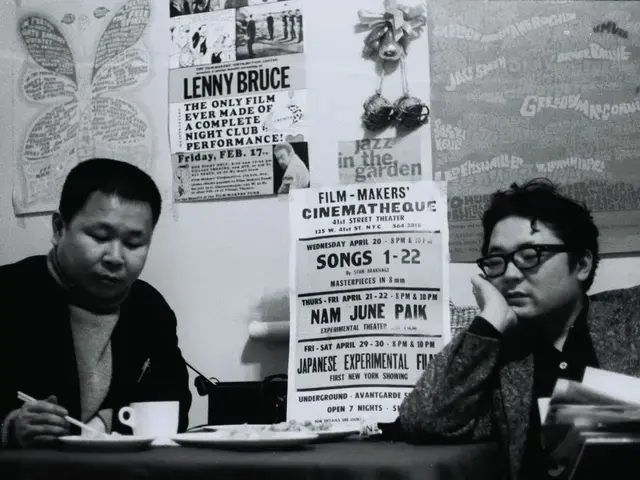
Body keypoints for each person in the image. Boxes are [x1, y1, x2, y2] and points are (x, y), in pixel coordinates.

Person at [399, 178, 640, 480]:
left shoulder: (630, 319)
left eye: (530, 256)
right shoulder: (500, 357)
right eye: (497, 261)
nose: (510, 274)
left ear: (581, 264)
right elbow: (423, 418)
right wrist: (490, 321)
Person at [0, 159, 192, 448]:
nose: (115, 256)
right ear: (59, 228)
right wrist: (10, 426)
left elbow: (172, 408)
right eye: (100, 236)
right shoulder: (9, 293)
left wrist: (102, 424)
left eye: (134, 243)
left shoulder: (149, 308)